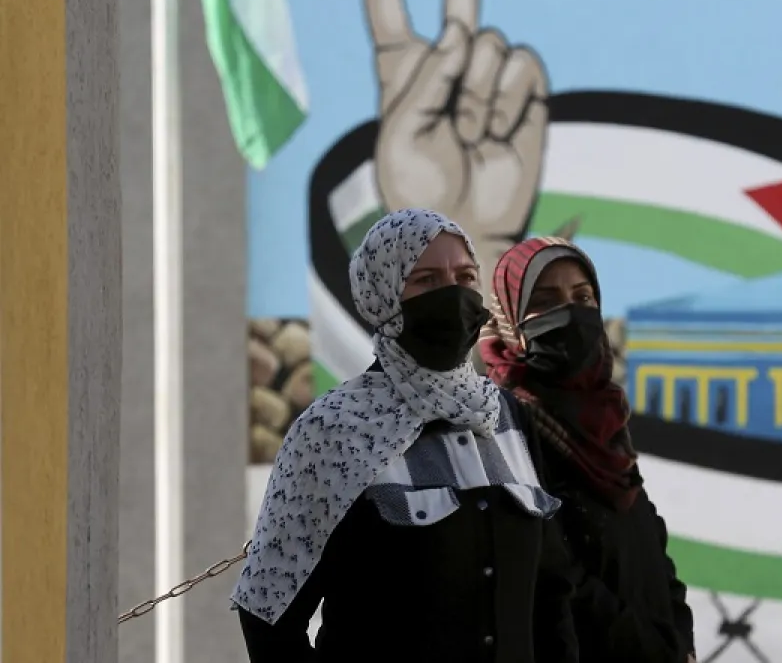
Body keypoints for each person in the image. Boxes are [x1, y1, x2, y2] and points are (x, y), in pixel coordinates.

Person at [233, 209, 578, 663]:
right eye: (427, 280)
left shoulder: (506, 417)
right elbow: (268, 615)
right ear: (384, 296)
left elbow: (550, 598)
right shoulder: (333, 429)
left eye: (465, 277)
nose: (453, 294)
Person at [481, 237, 697, 663]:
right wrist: (654, 651)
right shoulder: (503, 430)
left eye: (582, 297)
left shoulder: (604, 420)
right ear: (510, 321)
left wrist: (681, 638)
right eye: (545, 301)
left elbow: (650, 541)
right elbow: (553, 575)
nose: (570, 312)